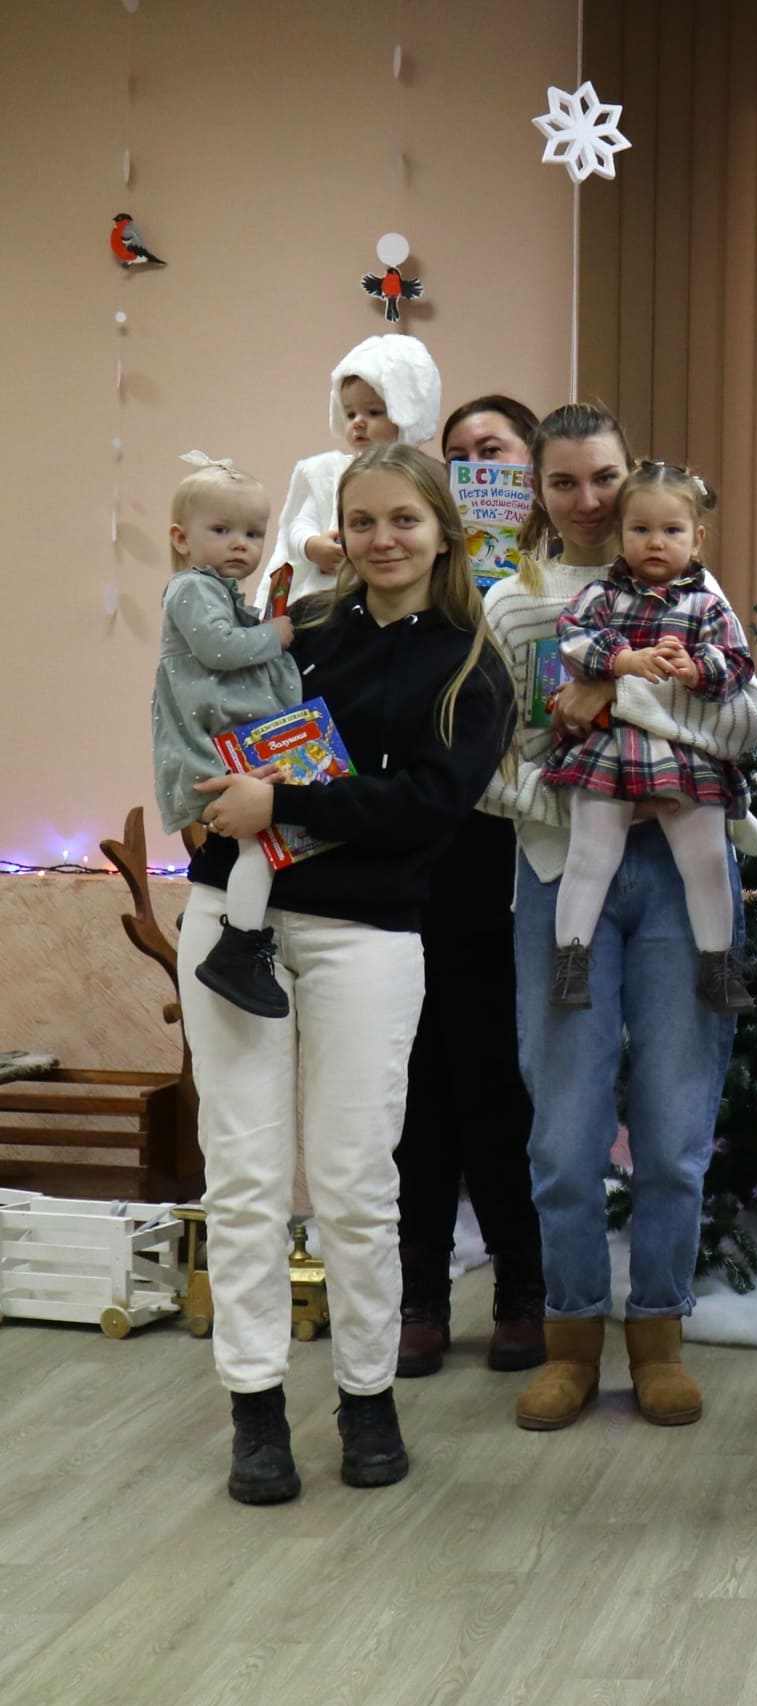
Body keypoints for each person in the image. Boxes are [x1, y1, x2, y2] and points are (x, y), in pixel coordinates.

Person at [179, 442, 510, 1505]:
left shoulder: (472, 662)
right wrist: (204, 786)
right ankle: (255, 1406)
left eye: (403, 519)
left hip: (366, 934)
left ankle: (367, 1397)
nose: (381, 540)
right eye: (361, 521)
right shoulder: (300, 629)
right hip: (232, 915)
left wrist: (287, 802)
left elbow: (428, 808)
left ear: (444, 530)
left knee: (358, 1181)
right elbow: (206, 713)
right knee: (243, 1179)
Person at [491, 404, 757, 1433]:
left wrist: (617, 699)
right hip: (564, 870)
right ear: (538, 490)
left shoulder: (694, 584)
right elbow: (487, 762)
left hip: (684, 871)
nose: (590, 500)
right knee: (564, 1135)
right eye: (564, 482)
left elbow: (747, 720)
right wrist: (574, 787)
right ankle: (571, 1338)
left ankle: (658, 1335)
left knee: (674, 1127)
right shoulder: (516, 606)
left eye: (604, 477)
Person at [396, 391, 548, 1380]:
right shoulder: (422, 579)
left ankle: (522, 1289)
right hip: (420, 857)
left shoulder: (552, 584)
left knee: (497, 1082)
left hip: (516, 852)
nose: (475, 469)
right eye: (457, 456)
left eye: (492, 451)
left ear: (531, 466)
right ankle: (420, 1294)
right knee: (419, 1087)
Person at [544, 462, 755, 1014]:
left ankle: (718, 964)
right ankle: (570, 960)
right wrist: (622, 661)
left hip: (685, 755)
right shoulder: (602, 595)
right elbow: (570, 637)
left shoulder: (707, 603)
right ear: (620, 534)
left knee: (706, 855)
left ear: (697, 537)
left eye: (671, 530)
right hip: (609, 748)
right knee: (590, 852)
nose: (655, 542)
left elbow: (738, 665)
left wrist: (698, 669)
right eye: (640, 529)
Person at [152, 452, 299, 1018]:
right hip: (208, 752)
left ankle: (227, 921)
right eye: (222, 530)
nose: (241, 544)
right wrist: (274, 634)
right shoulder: (191, 589)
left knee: (263, 845)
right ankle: (237, 944)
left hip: (229, 745)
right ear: (181, 538)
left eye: (254, 534)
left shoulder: (222, 593)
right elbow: (219, 649)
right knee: (260, 844)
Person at [256, 334, 444, 613]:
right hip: (328, 601)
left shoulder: (427, 478)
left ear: (409, 413)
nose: (358, 423)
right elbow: (298, 526)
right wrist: (312, 546)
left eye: (374, 412)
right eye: (350, 414)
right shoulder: (329, 474)